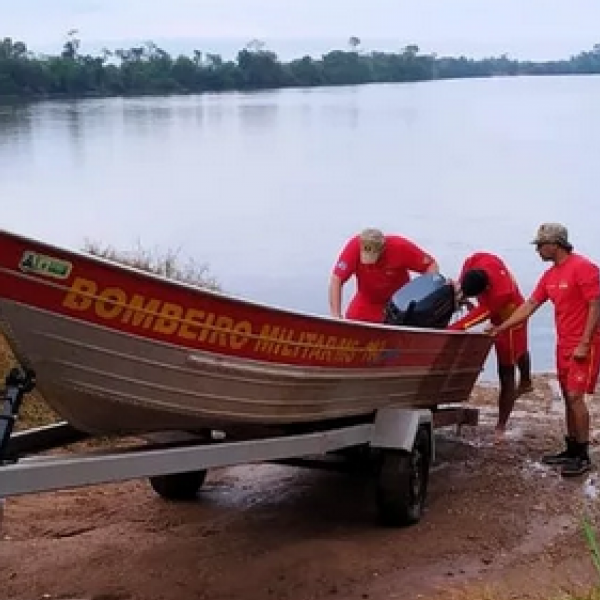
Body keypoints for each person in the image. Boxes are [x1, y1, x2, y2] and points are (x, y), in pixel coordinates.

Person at [487, 223, 600, 477]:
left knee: (574, 397)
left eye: (540, 245)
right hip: (563, 344)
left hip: (586, 343)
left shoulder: (583, 268)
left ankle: (583, 455)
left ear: (555, 244)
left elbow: (595, 304)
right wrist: (502, 327)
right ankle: (571, 449)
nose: (537, 250)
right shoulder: (550, 276)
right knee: (566, 396)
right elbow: (530, 304)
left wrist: (584, 342)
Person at [448, 252, 533, 440]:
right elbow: (466, 287)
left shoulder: (500, 293)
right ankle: (527, 381)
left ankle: (501, 426)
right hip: (494, 309)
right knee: (520, 350)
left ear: (486, 288)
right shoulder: (476, 260)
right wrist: (459, 293)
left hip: (511, 317)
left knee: (506, 371)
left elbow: (473, 319)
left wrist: (449, 330)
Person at [329, 228, 439, 323]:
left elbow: (431, 266)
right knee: (350, 325)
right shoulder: (354, 247)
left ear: (382, 249)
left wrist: (424, 296)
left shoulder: (399, 246)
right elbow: (336, 279)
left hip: (398, 305)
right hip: (367, 302)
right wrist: (336, 315)